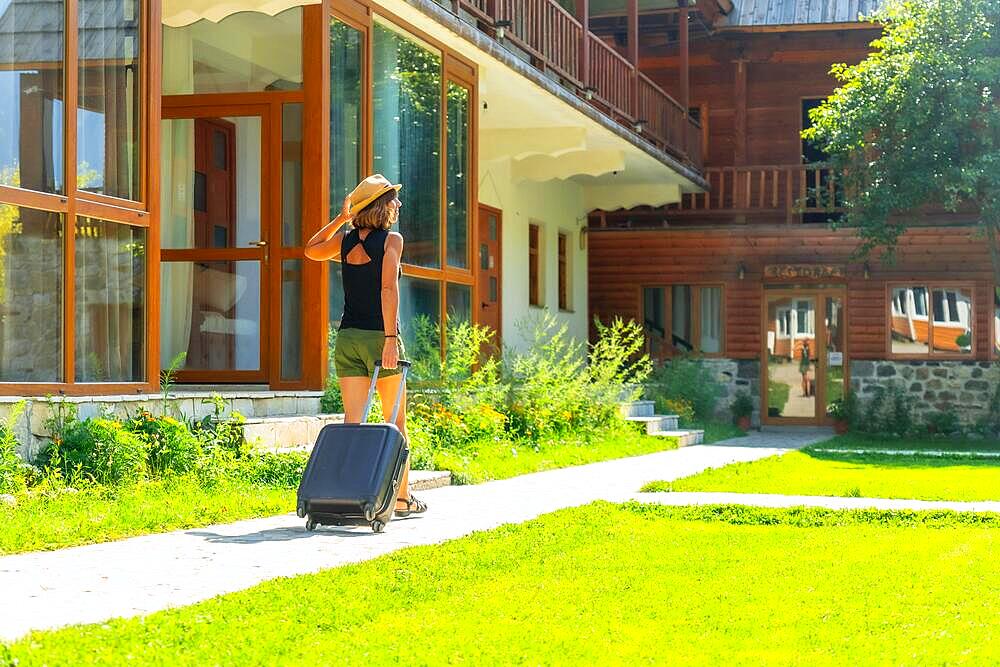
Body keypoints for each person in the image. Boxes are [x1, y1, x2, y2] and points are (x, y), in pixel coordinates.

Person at [304, 174, 427, 518]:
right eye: (393, 199)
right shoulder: (392, 241)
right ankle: (401, 499)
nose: (398, 204)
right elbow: (388, 289)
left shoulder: (344, 242)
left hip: (347, 338)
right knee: (396, 423)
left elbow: (311, 250)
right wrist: (390, 339)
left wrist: (341, 219)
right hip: (378, 337)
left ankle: (343, 496)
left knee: (352, 424)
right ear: (381, 207)